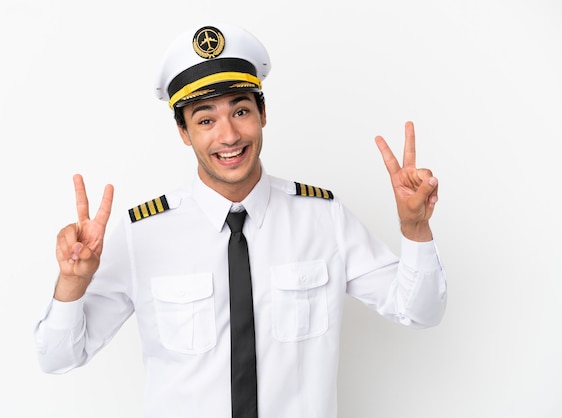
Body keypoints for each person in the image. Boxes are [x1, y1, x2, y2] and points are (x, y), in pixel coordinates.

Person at [34, 23, 447, 418]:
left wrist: (415, 229)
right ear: (183, 132)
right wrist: (72, 284)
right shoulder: (142, 234)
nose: (229, 136)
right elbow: (58, 358)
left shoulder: (324, 218)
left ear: (263, 114)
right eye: (205, 119)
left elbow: (420, 311)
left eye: (241, 111)